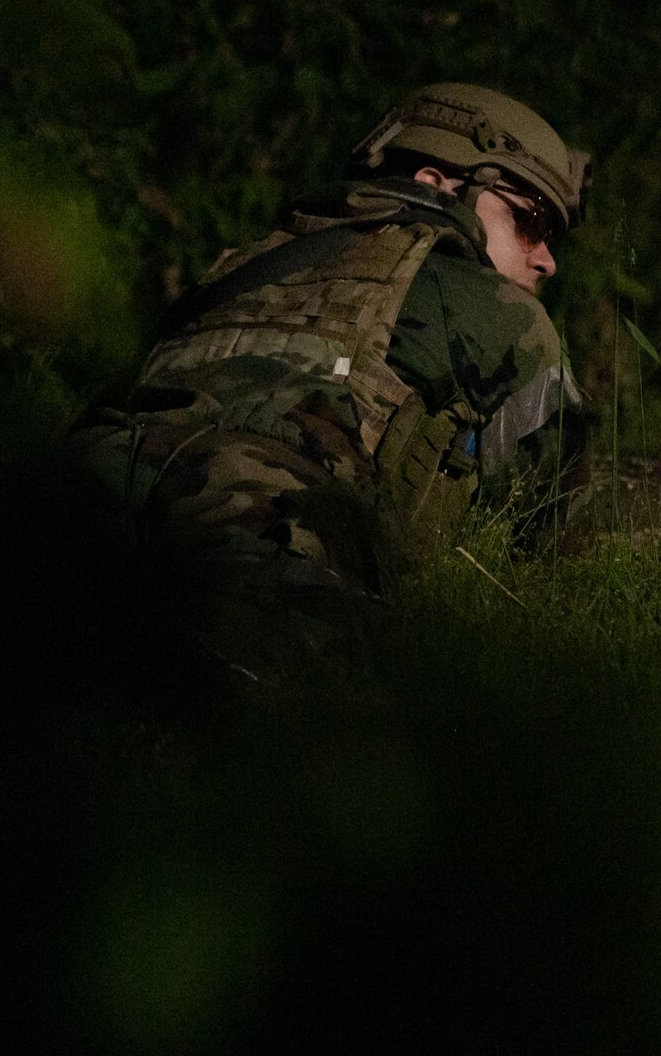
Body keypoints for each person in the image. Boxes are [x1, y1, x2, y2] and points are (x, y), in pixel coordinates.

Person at [74, 83, 590, 671]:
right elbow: (555, 554)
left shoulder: (235, 266)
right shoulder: (501, 315)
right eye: (530, 220)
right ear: (434, 184)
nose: (546, 257)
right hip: (252, 571)